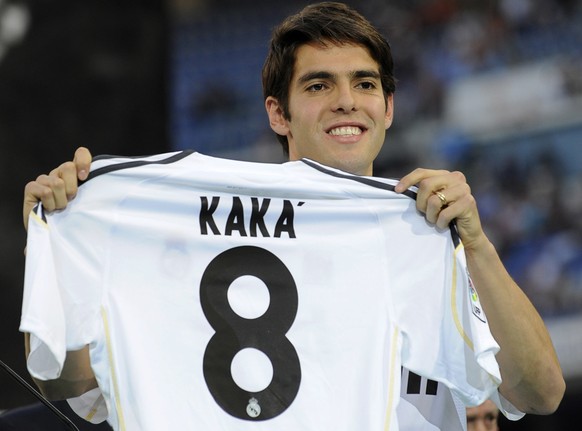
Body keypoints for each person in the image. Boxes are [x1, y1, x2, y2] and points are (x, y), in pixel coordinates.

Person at [20, 1, 564, 429]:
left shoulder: (426, 232)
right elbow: (62, 380)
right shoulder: (180, 232)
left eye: (365, 84)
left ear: (389, 108)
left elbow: (540, 392)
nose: (348, 101)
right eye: (319, 84)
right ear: (277, 113)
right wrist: (53, 248)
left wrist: (477, 246)